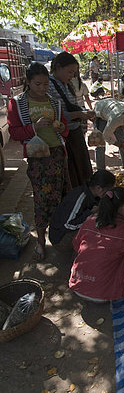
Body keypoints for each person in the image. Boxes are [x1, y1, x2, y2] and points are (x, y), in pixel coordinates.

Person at [7, 62, 69, 261]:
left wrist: (61, 129)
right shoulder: (18, 103)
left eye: (45, 84)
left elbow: (65, 128)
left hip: (57, 155)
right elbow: (14, 132)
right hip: (37, 159)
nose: (42, 88)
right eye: (37, 84)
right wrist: (34, 127)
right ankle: (41, 241)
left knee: (60, 198)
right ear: (28, 82)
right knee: (42, 200)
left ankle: (58, 236)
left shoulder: (54, 103)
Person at [48, 51, 95, 188]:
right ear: (58, 68)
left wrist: (84, 112)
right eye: (70, 72)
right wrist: (79, 115)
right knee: (72, 174)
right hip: (63, 137)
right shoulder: (49, 86)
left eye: (74, 72)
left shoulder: (67, 84)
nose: (73, 76)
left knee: (82, 172)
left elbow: (71, 106)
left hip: (75, 133)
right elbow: (56, 115)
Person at [49, 169, 115, 252]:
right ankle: (78, 257)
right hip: (60, 239)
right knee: (96, 229)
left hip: (66, 230)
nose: (108, 193)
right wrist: (90, 213)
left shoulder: (93, 193)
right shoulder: (80, 198)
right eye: (107, 191)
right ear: (99, 188)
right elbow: (68, 225)